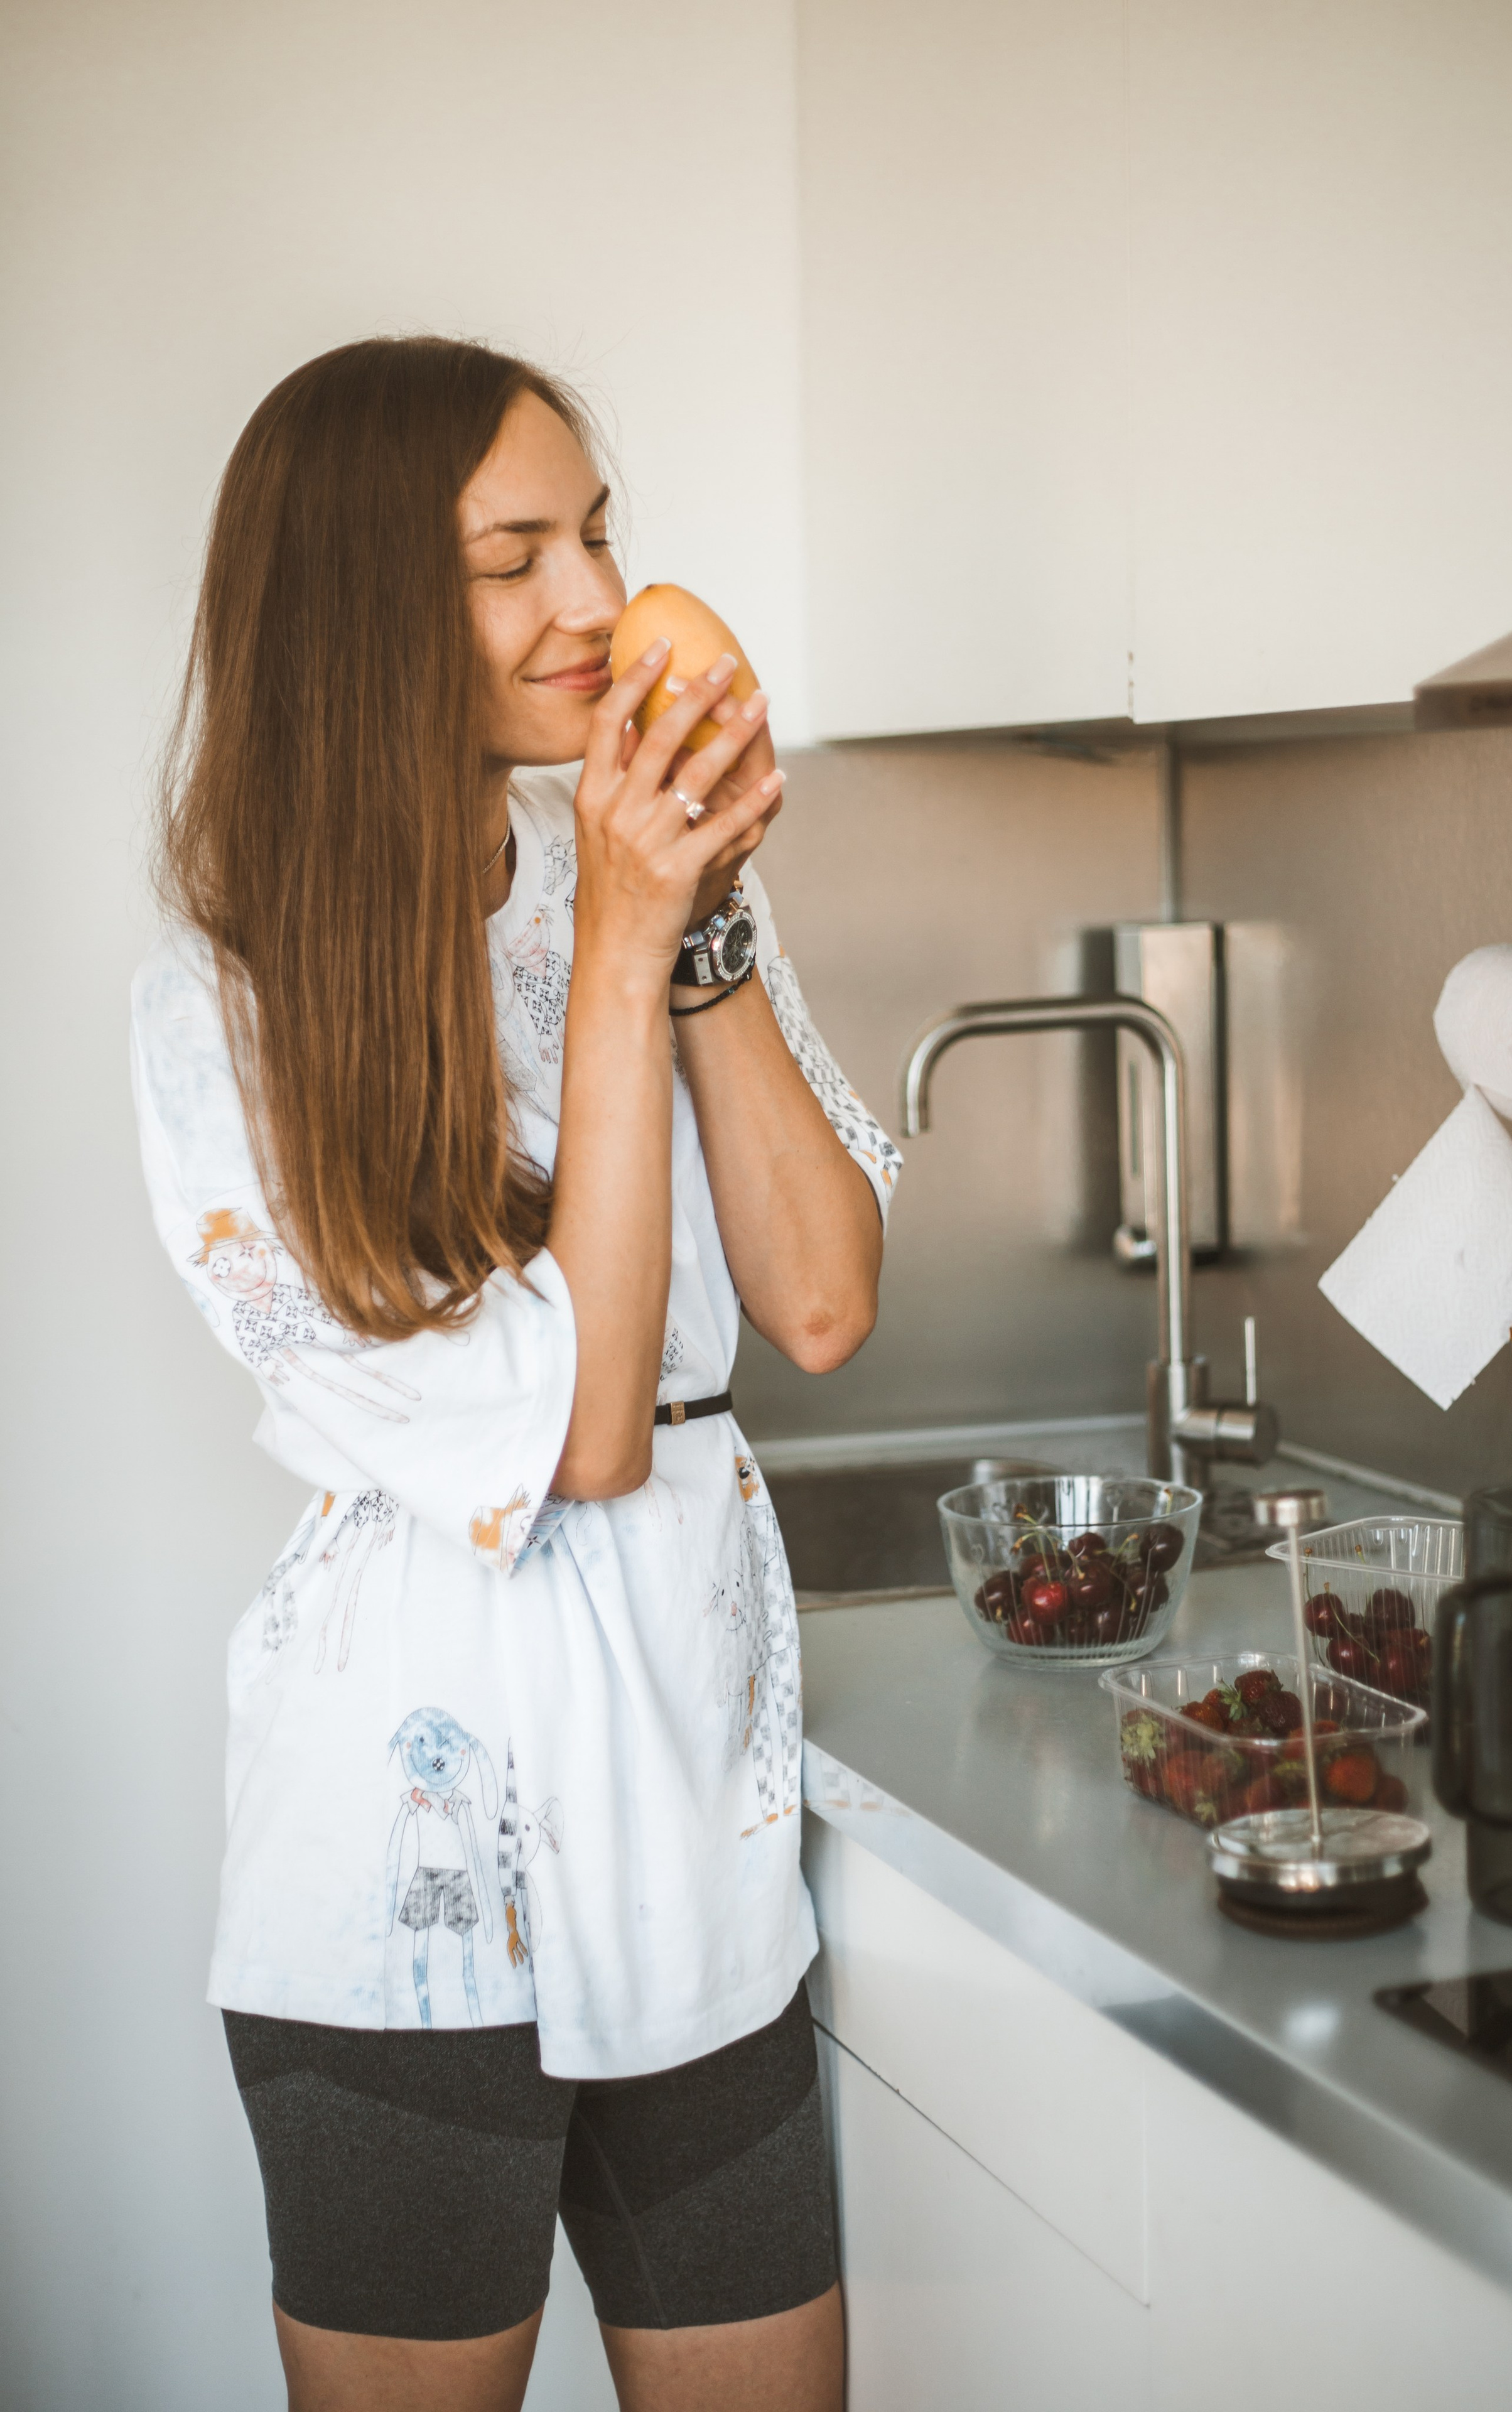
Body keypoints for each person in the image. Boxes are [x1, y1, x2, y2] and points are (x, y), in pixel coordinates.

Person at [132, 335, 900, 2412]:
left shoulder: (633, 860)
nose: (590, 603)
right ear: (369, 601)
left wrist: (699, 917)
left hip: (697, 1848)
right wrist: (637, 938)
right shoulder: (236, 999)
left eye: (600, 538)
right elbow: (576, 1429)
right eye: (514, 557)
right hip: (406, 1889)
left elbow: (822, 1304)